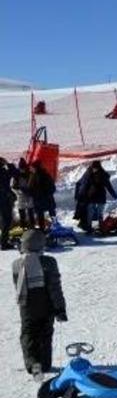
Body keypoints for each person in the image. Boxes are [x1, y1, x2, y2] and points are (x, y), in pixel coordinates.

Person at [13, 230, 66, 379]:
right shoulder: (49, 262)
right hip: (46, 305)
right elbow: (55, 287)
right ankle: (45, 363)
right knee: (45, 334)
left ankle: (33, 364)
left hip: (27, 306)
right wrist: (60, 308)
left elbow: (17, 288)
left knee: (29, 334)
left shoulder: (16, 264)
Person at [77, 161, 117, 233]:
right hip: (91, 197)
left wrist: (114, 195)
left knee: (100, 213)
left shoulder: (103, 175)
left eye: (95, 168)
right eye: (93, 168)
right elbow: (84, 184)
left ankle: (101, 226)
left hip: (100, 197)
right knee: (90, 213)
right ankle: (89, 227)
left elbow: (109, 187)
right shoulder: (89, 174)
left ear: (99, 168)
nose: (94, 169)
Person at [13, 160, 35, 229]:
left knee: (30, 211)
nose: (22, 170)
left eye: (23, 168)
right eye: (21, 168)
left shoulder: (30, 174)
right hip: (20, 196)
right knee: (22, 212)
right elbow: (13, 187)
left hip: (29, 196)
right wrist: (20, 191)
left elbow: (33, 185)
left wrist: (30, 191)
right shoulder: (16, 176)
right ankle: (23, 226)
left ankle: (32, 226)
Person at [0, 157, 15, 250]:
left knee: (3, 220)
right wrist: (9, 164)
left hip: (3, 198)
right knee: (7, 220)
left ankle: (3, 240)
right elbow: (13, 172)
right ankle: (4, 243)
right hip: (4, 199)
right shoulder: (2, 172)